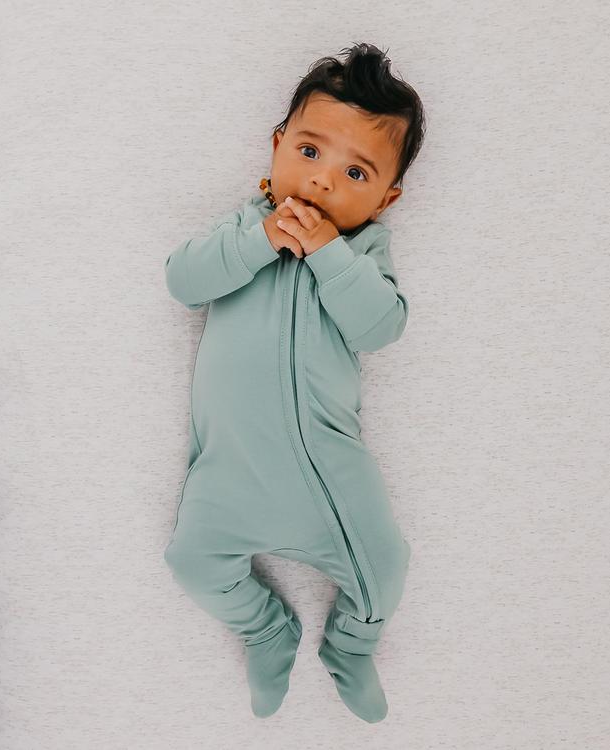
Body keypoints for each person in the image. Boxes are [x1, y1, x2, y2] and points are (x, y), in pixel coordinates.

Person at [163, 41, 426, 723]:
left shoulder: (363, 251)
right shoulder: (242, 226)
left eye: (355, 171)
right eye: (309, 151)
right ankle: (265, 630)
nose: (321, 182)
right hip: (228, 472)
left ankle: (352, 644)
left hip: (329, 476)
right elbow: (183, 282)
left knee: (386, 569)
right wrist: (261, 241)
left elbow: (381, 327)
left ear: (386, 199)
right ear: (277, 147)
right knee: (191, 561)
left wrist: (329, 253)